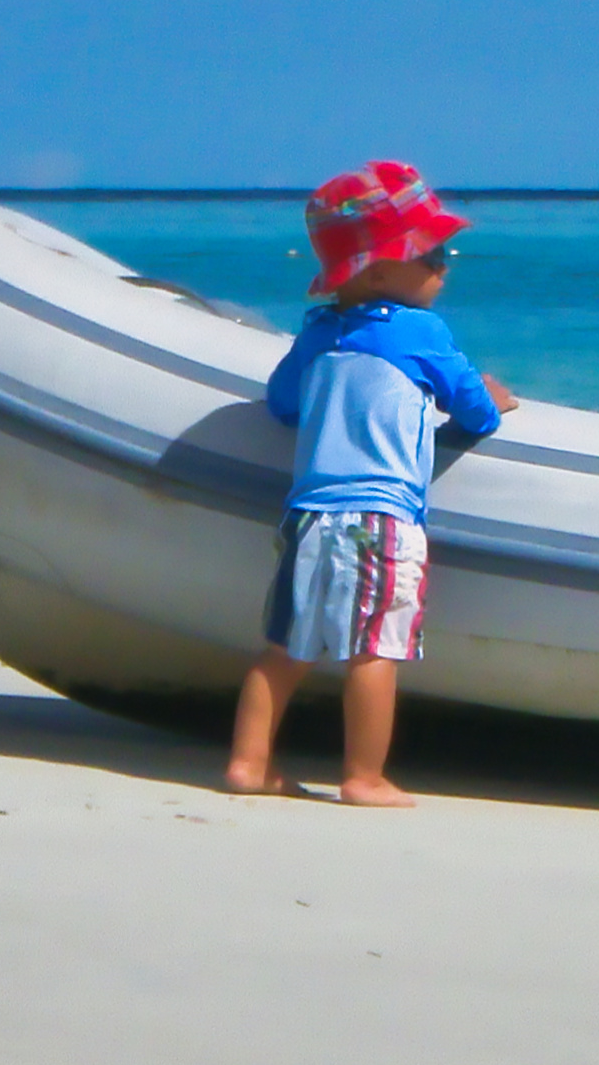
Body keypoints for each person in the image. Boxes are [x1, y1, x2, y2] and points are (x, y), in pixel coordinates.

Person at [222, 160, 518, 806]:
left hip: (306, 516)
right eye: (433, 251)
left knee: (284, 649)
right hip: (381, 518)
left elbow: (282, 403)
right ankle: (362, 776)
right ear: (379, 270)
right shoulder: (421, 331)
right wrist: (497, 401)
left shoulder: (320, 334)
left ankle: (249, 763)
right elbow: (474, 408)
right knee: (374, 649)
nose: (446, 262)